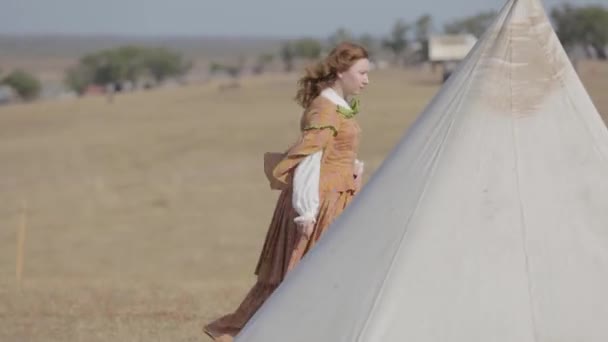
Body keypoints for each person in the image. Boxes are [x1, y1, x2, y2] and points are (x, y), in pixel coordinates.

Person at [203, 42, 370, 341]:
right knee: (300, 281)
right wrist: (306, 211)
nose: (366, 80)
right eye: (361, 73)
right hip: (320, 203)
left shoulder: (337, 107)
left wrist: (352, 168)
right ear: (341, 73)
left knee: (329, 279)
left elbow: (334, 152)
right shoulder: (325, 109)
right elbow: (308, 160)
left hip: (338, 197)